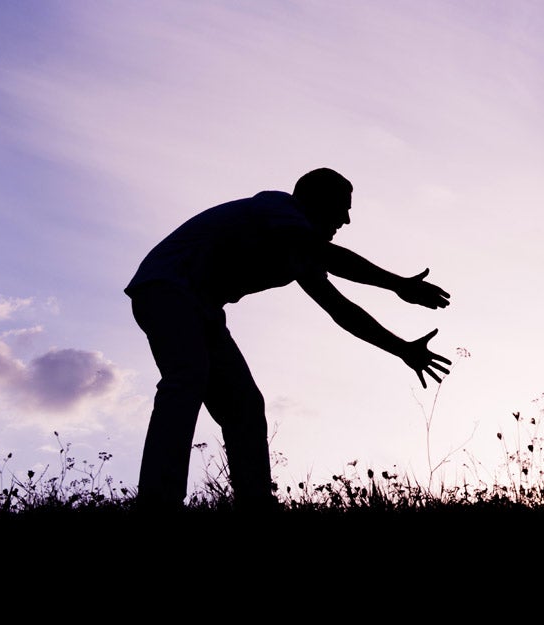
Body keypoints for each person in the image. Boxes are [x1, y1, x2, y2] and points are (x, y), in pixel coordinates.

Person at [124, 167, 452, 513]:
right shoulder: (277, 208)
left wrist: (403, 349)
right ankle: (157, 501)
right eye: (342, 207)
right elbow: (332, 258)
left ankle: (256, 505)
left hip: (201, 307)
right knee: (187, 377)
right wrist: (398, 284)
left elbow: (341, 310)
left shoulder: (297, 250)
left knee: (244, 406)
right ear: (314, 200)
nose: (347, 219)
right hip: (165, 288)